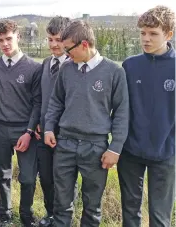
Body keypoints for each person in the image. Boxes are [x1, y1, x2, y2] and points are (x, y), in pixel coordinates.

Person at [44, 20, 129, 227]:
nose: (65, 53)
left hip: (95, 147)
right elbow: (56, 101)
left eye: (68, 49)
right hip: (65, 144)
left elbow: (122, 112)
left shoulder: (114, 72)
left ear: (84, 44)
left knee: (92, 206)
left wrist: (115, 148)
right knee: (61, 202)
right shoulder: (66, 69)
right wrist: (48, 127)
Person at [118, 5, 175, 227]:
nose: (146, 39)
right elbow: (121, 108)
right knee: (130, 213)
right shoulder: (130, 65)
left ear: (168, 34)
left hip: (166, 152)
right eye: (142, 33)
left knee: (160, 218)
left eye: (153, 34)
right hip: (131, 151)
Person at [0, 19, 42, 227]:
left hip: (24, 130)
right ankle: (4, 213)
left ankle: (26, 213)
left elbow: (38, 102)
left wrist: (29, 131)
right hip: (0, 127)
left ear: (17, 37)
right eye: (0, 40)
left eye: (8, 38)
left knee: (28, 178)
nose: (5, 44)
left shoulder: (33, 68)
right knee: (3, 174)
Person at [34, 16, 71, 227]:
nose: (54, 44)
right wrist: (41, 122)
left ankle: (62, 217)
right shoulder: (46, 63)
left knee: (64, 181)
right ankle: (50, 213)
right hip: (43, 132)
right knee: (46, 178)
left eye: (58, 39)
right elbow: (41, 96)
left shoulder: (74, 65)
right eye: (50, 39)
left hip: (64, 134)